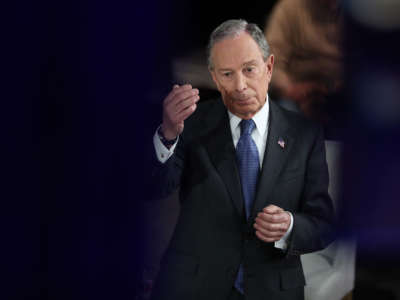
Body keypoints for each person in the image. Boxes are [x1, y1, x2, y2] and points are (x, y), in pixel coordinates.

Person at [150, 19, 334, 300]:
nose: (239, 86)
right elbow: (155, 188)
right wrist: (167, 135)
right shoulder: (190, 124)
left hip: (273, 290)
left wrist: (289, 226)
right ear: (213, 76)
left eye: (249, 70)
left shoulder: (305, 135)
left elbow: (323, 223)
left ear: (269, 67)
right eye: (227, 74)